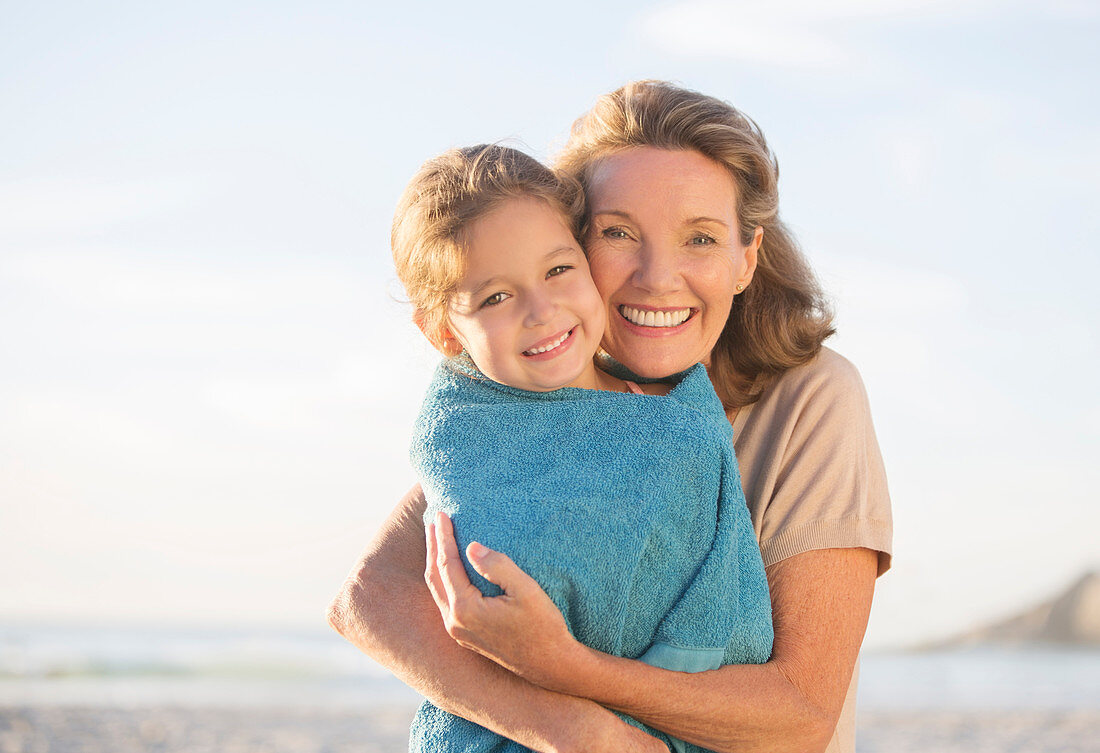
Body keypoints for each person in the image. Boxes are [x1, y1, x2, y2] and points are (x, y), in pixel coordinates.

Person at [329, 80, 892, 753]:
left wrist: (573, 674)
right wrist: (563, 724)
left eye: (701, 238)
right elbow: (369, 597)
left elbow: (799, 716)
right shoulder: (538, 397)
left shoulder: (812, 399)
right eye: (619, 232)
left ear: (746, 259)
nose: (658, 277)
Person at [390, 143, 772, 752]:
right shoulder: (467, 436)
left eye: (558, 270)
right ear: (441, 329)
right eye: (495, 297)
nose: (542, 312)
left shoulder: (675, 400)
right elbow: (496, 590)